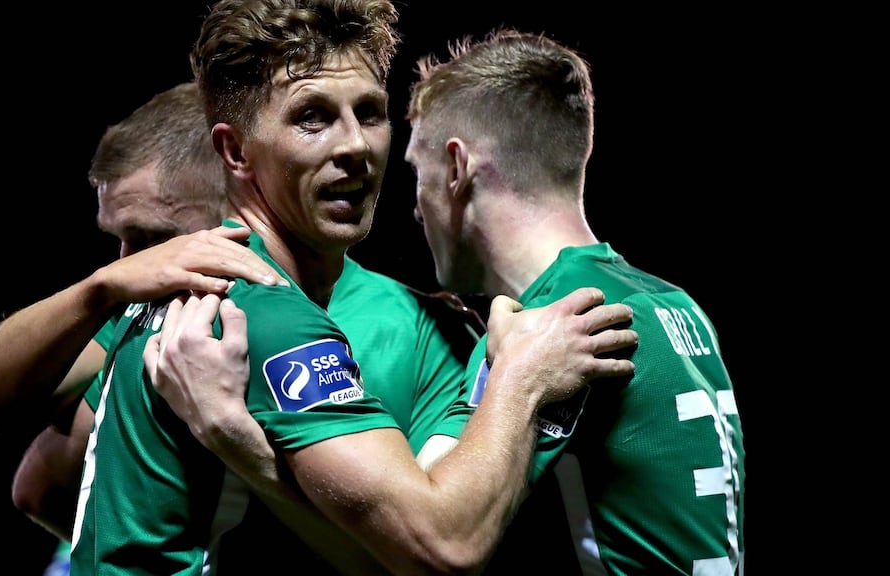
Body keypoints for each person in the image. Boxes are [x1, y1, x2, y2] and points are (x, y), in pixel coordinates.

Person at [69, 1, 638, 575]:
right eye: (312, 117)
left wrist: (239, 445)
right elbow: (444, 549)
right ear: (236, 151)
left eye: (369, 113)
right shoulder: (258, 314)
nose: (356, 146)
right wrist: (522, 380)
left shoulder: (208, 284)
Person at [160, 26, 746, 574]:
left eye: (418, 171)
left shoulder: (543, 332)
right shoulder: (676, 304)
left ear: (457, 167)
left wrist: (231, 433)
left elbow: (419, 540)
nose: (414, 207)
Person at [0, 79, 485, 573]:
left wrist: (236, 445)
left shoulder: (416, 330)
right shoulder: (159, 297)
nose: (135, 262)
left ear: (238, 190)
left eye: (153, 237)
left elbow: (417, 548)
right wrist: (102, 287)